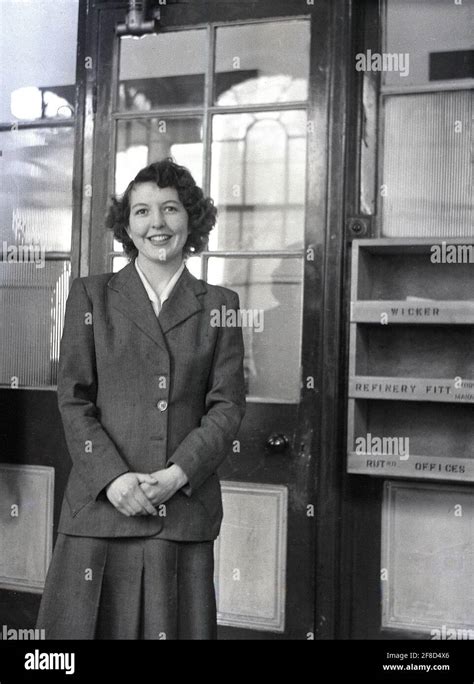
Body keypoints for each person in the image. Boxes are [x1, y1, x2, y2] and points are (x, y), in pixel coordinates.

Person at [36, 159, 246, 639]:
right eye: (142, 212)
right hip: (99, 509)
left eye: (170, 209)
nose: (157, 224)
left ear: (191, 220)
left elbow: (227, 406)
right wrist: (113, 480)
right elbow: (73, 399)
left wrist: (177, 476)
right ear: (126, 226)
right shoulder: (90, 296)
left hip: (181, 513)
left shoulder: (221, 306)